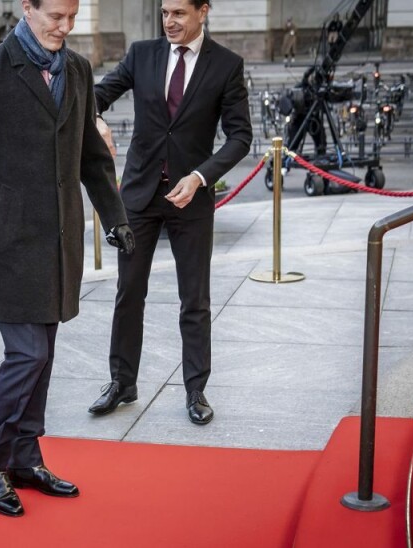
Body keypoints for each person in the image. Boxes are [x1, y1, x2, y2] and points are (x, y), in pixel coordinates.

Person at [0, 0, 136, 517]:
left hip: (59, 242)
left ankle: (25, 455)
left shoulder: (79, 70)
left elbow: (90, 155)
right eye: (55, 17)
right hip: (6, 243)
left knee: (44, 355)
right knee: (29, 354)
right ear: (27, 8)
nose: (66, 27)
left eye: (72, 16)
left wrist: (116, 217)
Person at [87, 0, 252, 425]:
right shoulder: (142, 54)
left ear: (203, 11)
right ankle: (122, 382)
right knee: (128, 294)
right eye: (164, 13)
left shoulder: (227, 65)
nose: (170, 21)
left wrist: (201, 176)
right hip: (139, 195)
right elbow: (95, 95)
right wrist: (95, 118)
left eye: (179, 12)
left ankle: (196, 390)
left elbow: (240, 137)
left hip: (191, 198)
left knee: (194, 299)